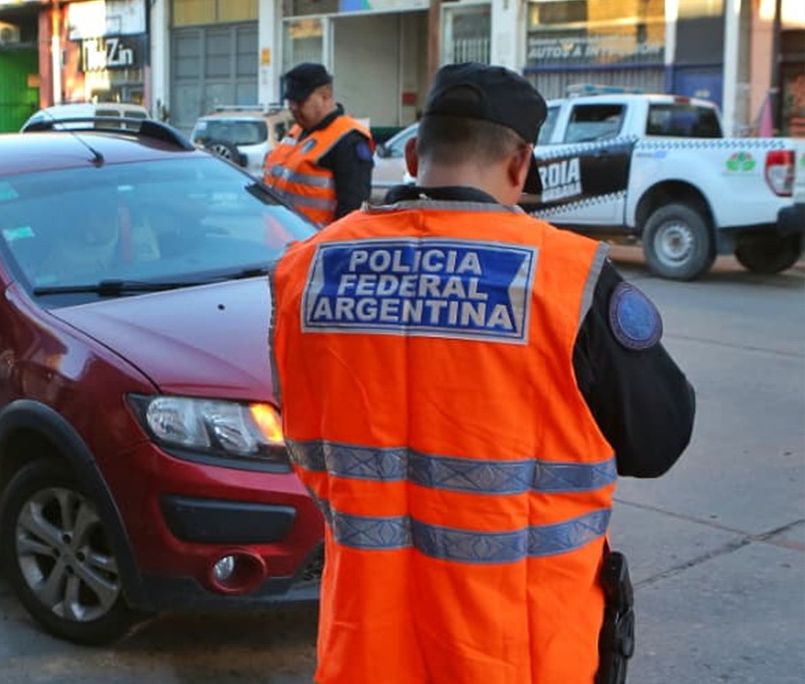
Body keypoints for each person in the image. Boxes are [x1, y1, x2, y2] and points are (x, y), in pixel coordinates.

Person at [269, 63, 696, 684]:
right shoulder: (563, 277)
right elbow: (658, 439)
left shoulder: (304, 271)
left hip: (363, 651)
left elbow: (301, 434)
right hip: (519, 655)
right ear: (521, 165)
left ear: (414, 154)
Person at [263, 63, 373, 227]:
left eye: (300, 101)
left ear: (325, 96)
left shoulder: (348, 139)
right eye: (290, 101)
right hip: (279, 244)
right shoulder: (298, 131)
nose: (293, 108)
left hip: (314, 247)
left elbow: (352, 211)